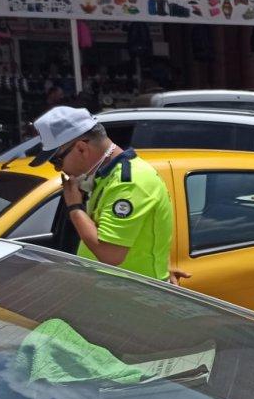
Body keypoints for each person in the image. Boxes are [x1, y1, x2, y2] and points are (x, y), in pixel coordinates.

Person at [29, 106, 177, 283]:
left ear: (82, 149)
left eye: (57, 161)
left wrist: (75, 208)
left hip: (135, 296)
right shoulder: (106, 177)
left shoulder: (129, 183)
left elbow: (110, 254)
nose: (60, 169)